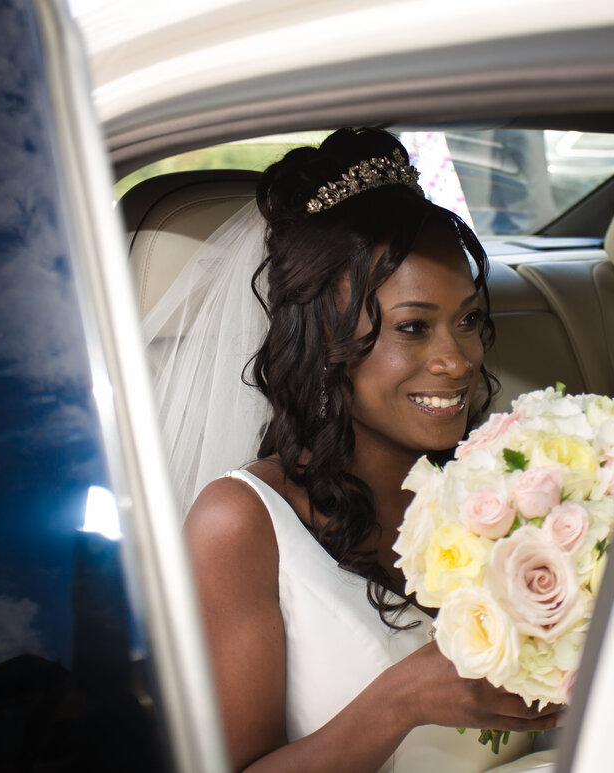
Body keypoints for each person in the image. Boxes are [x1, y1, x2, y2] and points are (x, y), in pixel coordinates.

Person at [170, 129, 560, 772]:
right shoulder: (240, 525)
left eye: (467, 321)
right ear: (325, 340)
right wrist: (399, 701)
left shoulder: (508, 482)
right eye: (412, 328)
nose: (456, 360)